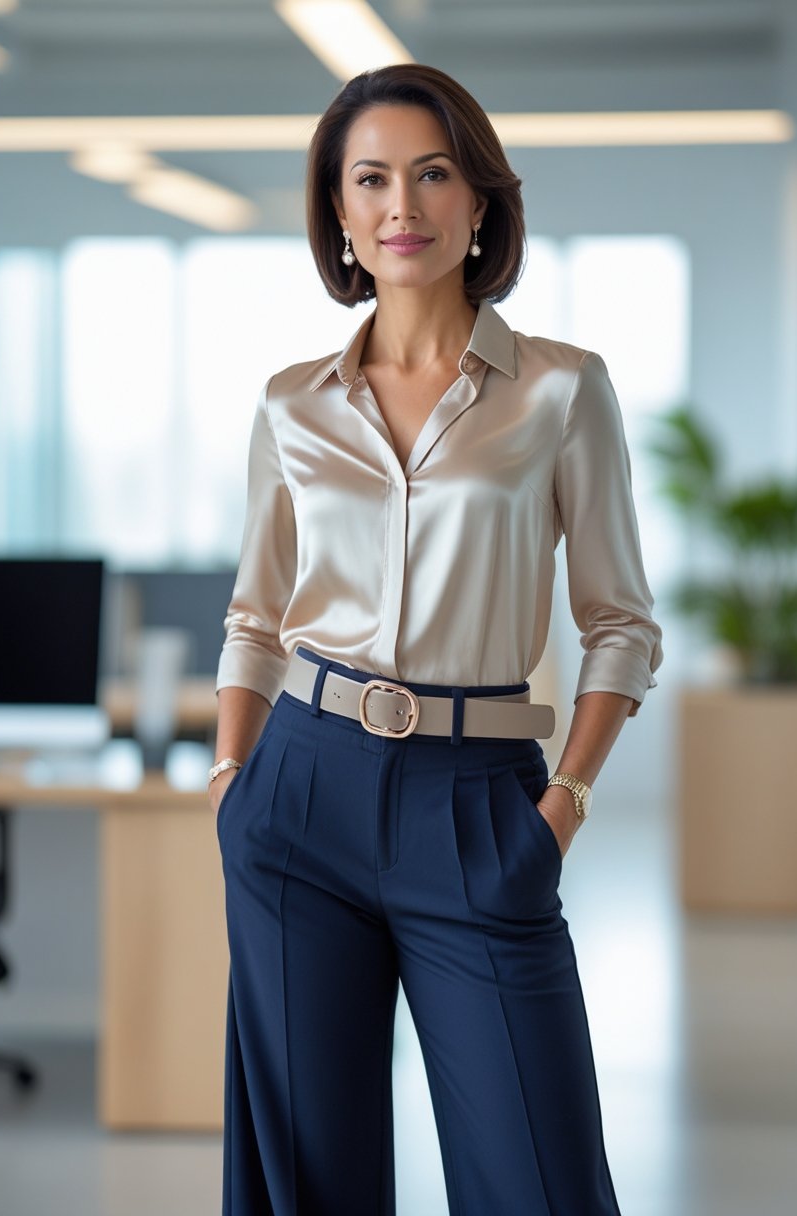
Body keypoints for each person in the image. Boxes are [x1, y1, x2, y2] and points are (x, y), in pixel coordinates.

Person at [210, 62, 663, 1216]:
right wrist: (231, 778)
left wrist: (561, 804)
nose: (401, 204)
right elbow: (256, 617)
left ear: (477, 204)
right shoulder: (290, 405)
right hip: (298, 795)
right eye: (371, 180)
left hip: (477, 804)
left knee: (536, 1174)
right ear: (342, 217)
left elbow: (618, 623)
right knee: (308, 1178)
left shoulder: (562, 391)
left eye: (431, 173)